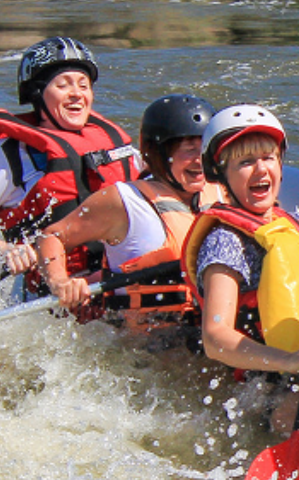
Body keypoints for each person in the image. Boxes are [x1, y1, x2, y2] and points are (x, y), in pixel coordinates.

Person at [182, 105, 299, 436]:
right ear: (221, 175)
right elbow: (215, 338)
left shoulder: (289, 223)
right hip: (274, 398)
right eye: (245, 162)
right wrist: (288, 359)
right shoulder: (225, 242)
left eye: (268, 158)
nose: (260, 169)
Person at [0, 36, 141, 291]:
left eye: (84, 85)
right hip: (52, 288)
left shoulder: (113, 144)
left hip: (119, 276)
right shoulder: (12, 153)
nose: (77, 94)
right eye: (63, 85)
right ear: (38, 94)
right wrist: (7, 250)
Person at [33, 94, 222, 331]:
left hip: (208, 334)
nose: (199, 160)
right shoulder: (123, 201)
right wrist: (60, 281)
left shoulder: (224, 192)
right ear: (158, 153)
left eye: (204, 149)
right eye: (189, 150)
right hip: (143, 344)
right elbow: (52, 237)